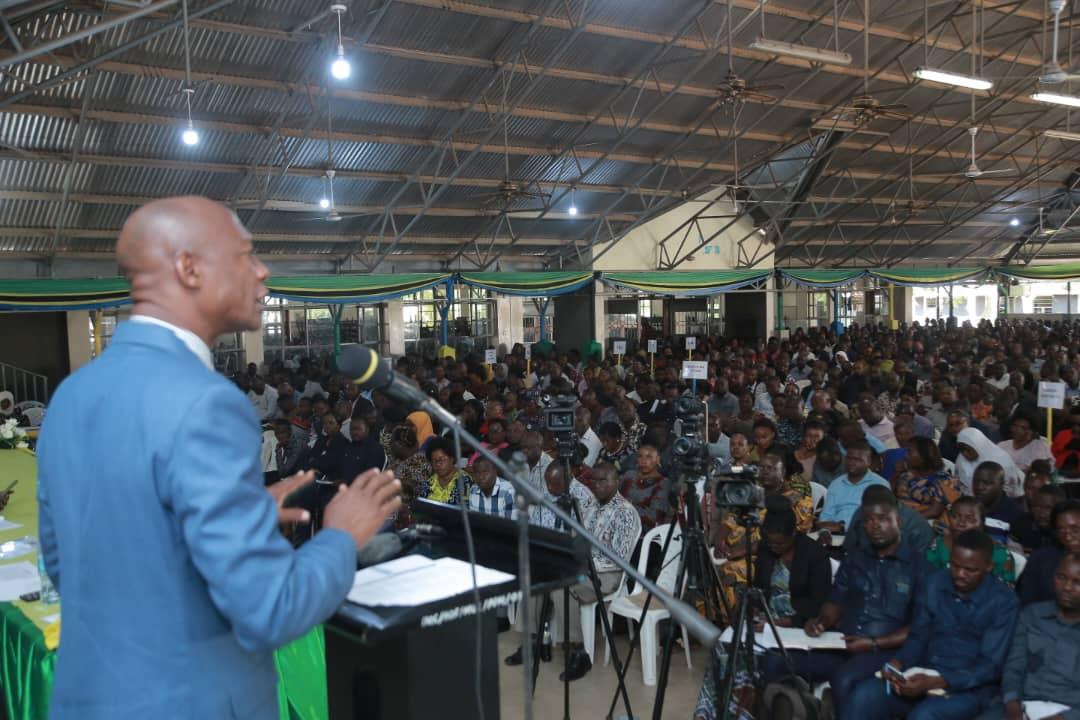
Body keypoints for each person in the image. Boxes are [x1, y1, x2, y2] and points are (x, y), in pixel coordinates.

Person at [36, 196, 401, 718]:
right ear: (188, 268)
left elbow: (70, 566)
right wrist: (342, 534)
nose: (262, 271)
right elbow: (269, 609)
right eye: (245, 254)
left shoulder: (74, 393)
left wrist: (236, 517)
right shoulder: (207, 402)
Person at [846, 529, 1020, 720]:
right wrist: (898, 663)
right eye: (955, 565)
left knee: (925, 715)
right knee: (864, 696)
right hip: (922, 672)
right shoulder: (935, 583)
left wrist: (940, 681)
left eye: (970, 570)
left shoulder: (1004, 602)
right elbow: (918, 636)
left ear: (988, 567)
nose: (960, 574)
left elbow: (990, 666)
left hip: (968, 688)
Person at [796, 490, 928, 716]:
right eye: (869, 520)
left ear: (898, 522)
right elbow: (836, 600)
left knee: (845, 679)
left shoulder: (919, 568)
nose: (875, 525)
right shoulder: (854, 559)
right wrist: (822, 622)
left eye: (883, 519)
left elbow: (920, 627)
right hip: (843, 644)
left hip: (885, 650)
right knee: (779, 661)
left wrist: (874, 643)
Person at [697, 500, 831, 720]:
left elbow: (820, 604)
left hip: (797, 625)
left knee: (752, 659)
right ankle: (710, 713)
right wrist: (754, 611)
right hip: (766, 623)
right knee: (723, 649)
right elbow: (759, 589)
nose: (774, 547)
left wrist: (781, 622)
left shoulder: (814, 555)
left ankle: (744, 713)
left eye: (780, 543)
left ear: (793, 534)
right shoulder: (767, 551)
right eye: (769, 542)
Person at [555, 463, 640, 682]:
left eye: (604, 480)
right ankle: (536, 640)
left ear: (617, 482)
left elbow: (618, 558)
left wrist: (583, 564)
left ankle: (578, 651)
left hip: (608, 574)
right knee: (542, 575)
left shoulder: (625, 512)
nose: (598, 485)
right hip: (583, 568)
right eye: (595, 480)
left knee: (561, 588)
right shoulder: (588, 505)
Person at [974, 552, 1080, 720]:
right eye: (1061, 577)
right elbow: (1014, 666)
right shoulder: (1032, 615)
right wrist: (1012, 703)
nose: (1067, 587)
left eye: (1077, 582)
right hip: (1023, 705)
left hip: (1069, 712)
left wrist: (1067, 717)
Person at [926, 496, 1016, 584]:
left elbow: (1004, 589)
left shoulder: (998, 553)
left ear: (982, 523)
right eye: (955, 517)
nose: (961, 523)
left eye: (970, 519)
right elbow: (927, 580)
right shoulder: (938, 544)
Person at [816, 442, 889, 535]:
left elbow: (882, 519)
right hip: (836, 535)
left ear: (869, 462)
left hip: (866, 535)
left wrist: (843, 527)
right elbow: (826, 516)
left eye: (858, 459)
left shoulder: (880, 485)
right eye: (849, 458)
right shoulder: (836, 484)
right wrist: (824, 532)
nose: (851, 463)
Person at [1019, 500, 1080, 606]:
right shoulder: (1041, 559)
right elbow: (1027, 601)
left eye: (1075, 530)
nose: (1068, 537)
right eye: (1061, 530)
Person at [893, 436, 960, 520]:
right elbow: (893, 496)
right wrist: (896, 473)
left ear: (923, 456)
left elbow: (934, 512)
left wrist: (906, 521)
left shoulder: (944, 480)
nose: (906, 456)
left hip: (922, 522)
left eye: (910, 452)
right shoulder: (907, 475)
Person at [956, 426, 1024, 497]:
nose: (964, 453)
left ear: (977, 445)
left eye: (968, 449)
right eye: (961, 450)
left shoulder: (1001, 460)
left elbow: (1010, 488)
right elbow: (958, 481)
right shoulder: (961, 459)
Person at [973, 461, 1024, 546]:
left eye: (987, 483)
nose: (979, 487)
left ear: (1001, 484)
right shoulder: (968, 506)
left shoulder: (1015, 513)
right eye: (976, 481)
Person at [1011, 483, 1066, 554]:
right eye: (1037, 507)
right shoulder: (1021, 524)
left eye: (1048, 508)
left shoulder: (1069, 531)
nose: (1042, 514)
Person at [421, 436, 470, 505]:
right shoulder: (429, 482)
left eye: (442, 459)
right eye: (434, 460)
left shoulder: (465, 481)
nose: (438, 464)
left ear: (452, 459)